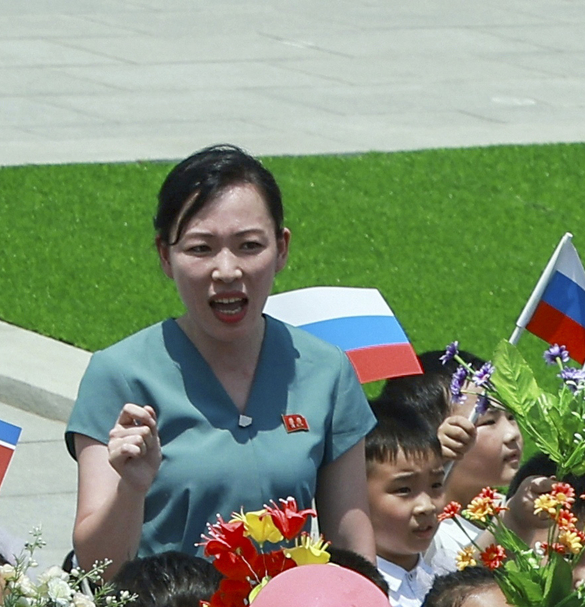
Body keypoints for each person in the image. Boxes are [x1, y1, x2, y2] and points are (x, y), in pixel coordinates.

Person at [69, 145, 374, 566]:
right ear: (164, 255)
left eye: (249, 246)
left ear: (282, 249)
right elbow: (98, 568)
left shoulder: (327, 371)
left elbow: (353, 548)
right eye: (200, 248)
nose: (227, 271)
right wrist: (131, 489)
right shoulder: (119, 375)